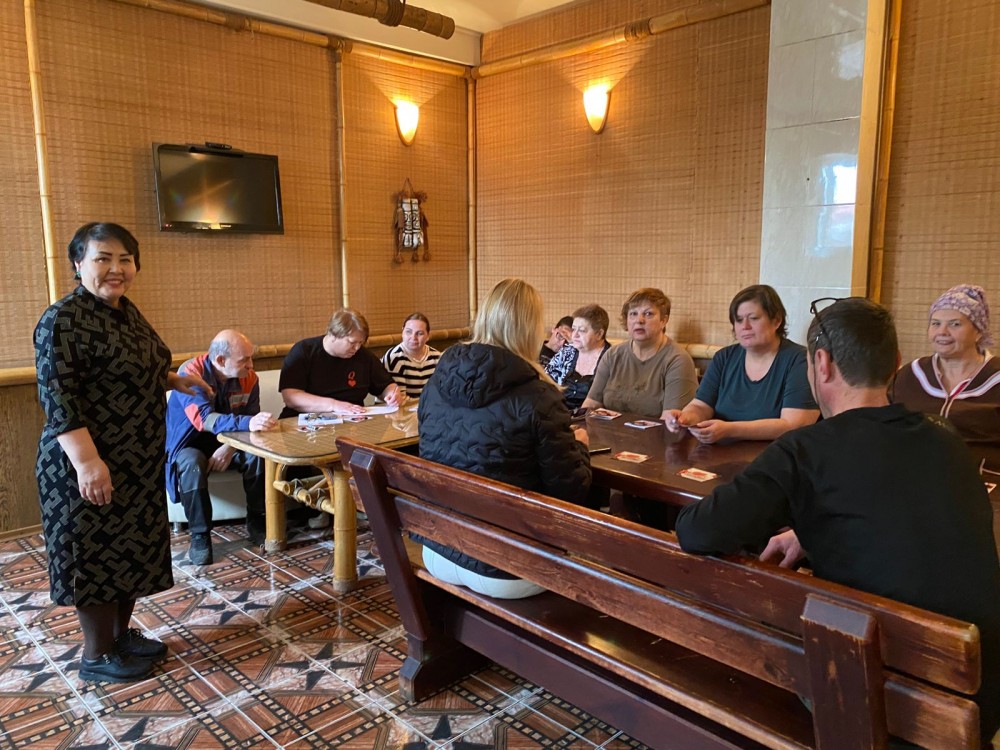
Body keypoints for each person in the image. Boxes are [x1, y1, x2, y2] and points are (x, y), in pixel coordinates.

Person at [675, 297, 1000, 745]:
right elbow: (889, 515)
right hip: (978, 700)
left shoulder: (805, 450)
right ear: (896, 363)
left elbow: (695, 531)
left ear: (822, 364)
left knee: (746, 633)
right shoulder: (947, 440)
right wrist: (808, 530)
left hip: (882, 704)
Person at [34, 222, 211, 684]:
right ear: (78, 264)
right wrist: (88, 463)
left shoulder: (126, 312)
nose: (116, 268)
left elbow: (127, 368)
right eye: (103, 258)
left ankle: (119, 637)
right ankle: (96, 655)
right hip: (85, 462)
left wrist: (174, 380)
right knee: (94, 555)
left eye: (125, 259)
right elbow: (59, 399)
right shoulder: (62, 320)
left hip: (136, 459)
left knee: (129, 551)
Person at [418, 278, 593, 599]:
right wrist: (580, 447)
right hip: (507, 567)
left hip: (437, 549)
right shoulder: (538, 396)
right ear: (530, 328)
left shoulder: (436, 383)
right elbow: (571, 490)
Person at [165, 330, 278, 565]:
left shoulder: (249, 378)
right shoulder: (190, 373)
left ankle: (257, 520)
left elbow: (252, 422)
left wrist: (229, 446)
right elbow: (204, 419)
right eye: (244, 360)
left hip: (229, 441)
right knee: (191, 464)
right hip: (190, 443)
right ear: (220, 360)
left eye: (251, 358)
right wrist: (246, 425)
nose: (251, 365)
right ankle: (199, 535)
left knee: (257, 455)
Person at [666, 284, 819, 442]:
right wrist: (684, 418)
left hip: (774, 454)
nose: (745, 326)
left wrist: (730, 430)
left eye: (753, 318)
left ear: (776, 321)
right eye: (738, 320)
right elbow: (701, 406)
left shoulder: (799, 360)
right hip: (718, 451)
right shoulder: (724, 357)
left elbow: (794, 425)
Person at [891, 284, 1000, 474]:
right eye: (935, 323)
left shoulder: (995, 377)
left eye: (954, 324)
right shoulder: (910, 375)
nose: (942, 332)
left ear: (978, 331)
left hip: (984, 484)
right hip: (913, 479)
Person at [583, 288, 697, 421]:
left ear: (663, 320)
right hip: (607, 431)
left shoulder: (677, 360)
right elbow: (591, 404)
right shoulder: (612, 355)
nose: (639, 320)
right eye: (633, 314)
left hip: (657, 433)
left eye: (648, 314)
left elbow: (671, 421)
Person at [279, 308, 404, 418]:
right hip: (306, 422)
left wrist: (392, 394)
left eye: (360, 343)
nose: (357, 348)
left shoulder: (363, 356)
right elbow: (291, 397)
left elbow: (385, 386)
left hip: (352, 422)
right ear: (333, 334)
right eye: (352, 342)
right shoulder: (304, 351)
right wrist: (334, 405)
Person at [545, 304, 611, 410]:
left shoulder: (611, 358)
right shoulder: (567, 352)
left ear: (599, 334)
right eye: (574, 329)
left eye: (582, 330)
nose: (574, 335)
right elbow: (546, 382)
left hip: (593, 416)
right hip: (559, 413)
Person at [381, 312, 441, 398]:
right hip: (404, 405)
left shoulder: (437, 357)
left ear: (428, 336)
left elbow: (441, 392)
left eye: (419, 333)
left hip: (430, 404)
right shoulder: (394, 358)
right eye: (408, 332)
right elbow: (400, 398)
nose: (413, 337)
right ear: (402, 333)